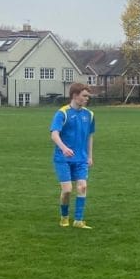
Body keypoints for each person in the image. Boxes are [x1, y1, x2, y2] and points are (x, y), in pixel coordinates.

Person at [50, 83, 95, 229]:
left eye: (88, 96)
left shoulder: (89, 115)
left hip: (81, 158)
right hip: (63, 158)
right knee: (67, 190)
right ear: (75, 96)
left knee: (82, 187)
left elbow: (90, 136)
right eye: (84, 96)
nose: (87, 99)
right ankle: (64, 217)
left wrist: (89, 156)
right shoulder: (62, 113)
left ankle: (78, 220)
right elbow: (54, 134)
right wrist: (63, 148)